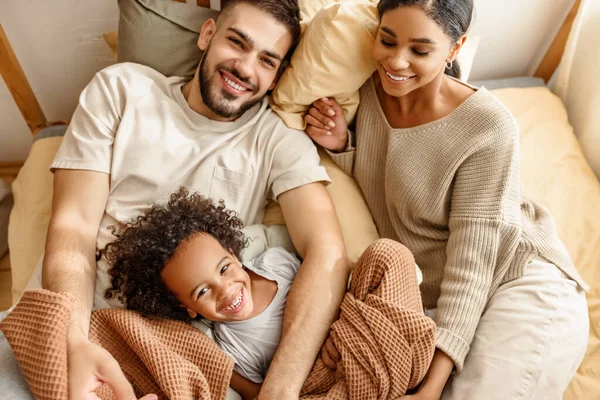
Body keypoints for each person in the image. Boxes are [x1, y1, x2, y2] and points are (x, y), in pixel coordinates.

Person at [0, 1, 351, 399]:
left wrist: (280, 391)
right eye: (237, 42)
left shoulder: (278, 141)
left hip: (177, 355)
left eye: (267, 61)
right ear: (207, 35)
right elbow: (73, 225)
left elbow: (327, 252)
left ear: (274, 79)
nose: (245, 68)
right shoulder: (122, 89)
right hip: (72, 316)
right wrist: (73, 341)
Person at [305, 0, 589, 399]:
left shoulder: (488, 127)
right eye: (387, 40)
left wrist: (431, 388)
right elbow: (393, 183)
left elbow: (472, 264)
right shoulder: (367, 91)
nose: (397, 62)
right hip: (436, 303)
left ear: (455, 50)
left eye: (420, 51)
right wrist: (345, 147)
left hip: (517, 282)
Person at [103, 188, 302, 400]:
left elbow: (328, 284)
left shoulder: (276, 263)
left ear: (234, 256)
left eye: (224, 269)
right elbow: (258, 394)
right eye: (203, 291)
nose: (225, 290)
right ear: (187, 308)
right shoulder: (228, 350)